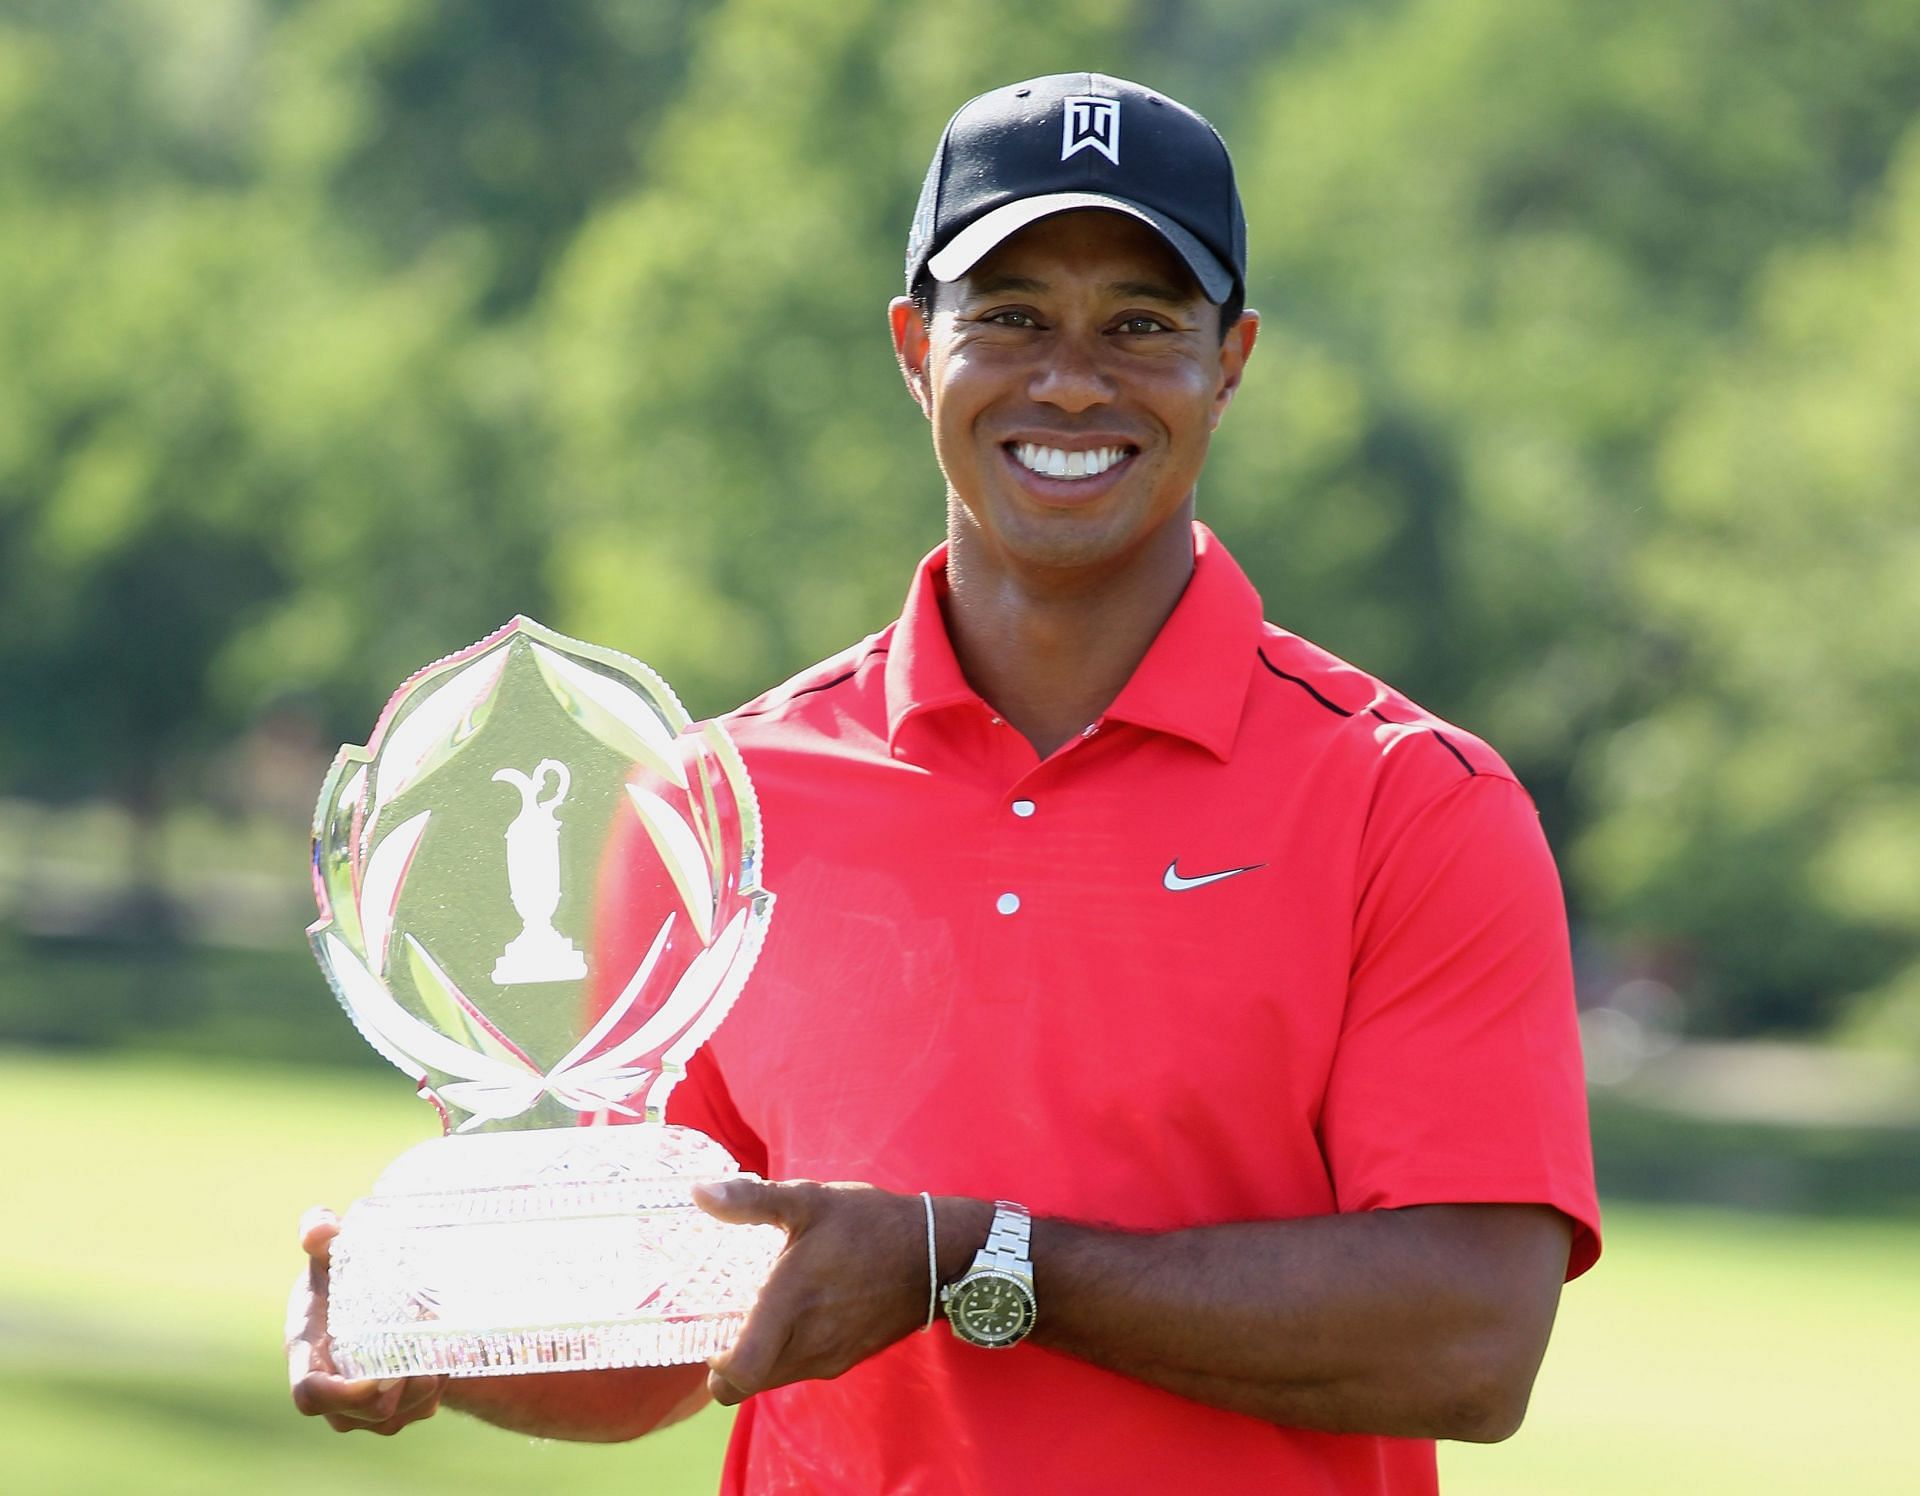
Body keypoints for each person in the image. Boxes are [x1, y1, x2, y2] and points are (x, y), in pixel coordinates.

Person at [289, 72, 1600, 1493]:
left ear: (1233, 360)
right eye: (1013, 316)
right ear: (917, 347)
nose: (1074, 380)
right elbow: (678, 1333)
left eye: (1144, 324)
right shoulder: (718, 807)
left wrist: (975, 1265)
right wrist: (448, 1329)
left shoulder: (1413, 803)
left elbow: (1471, 1340)